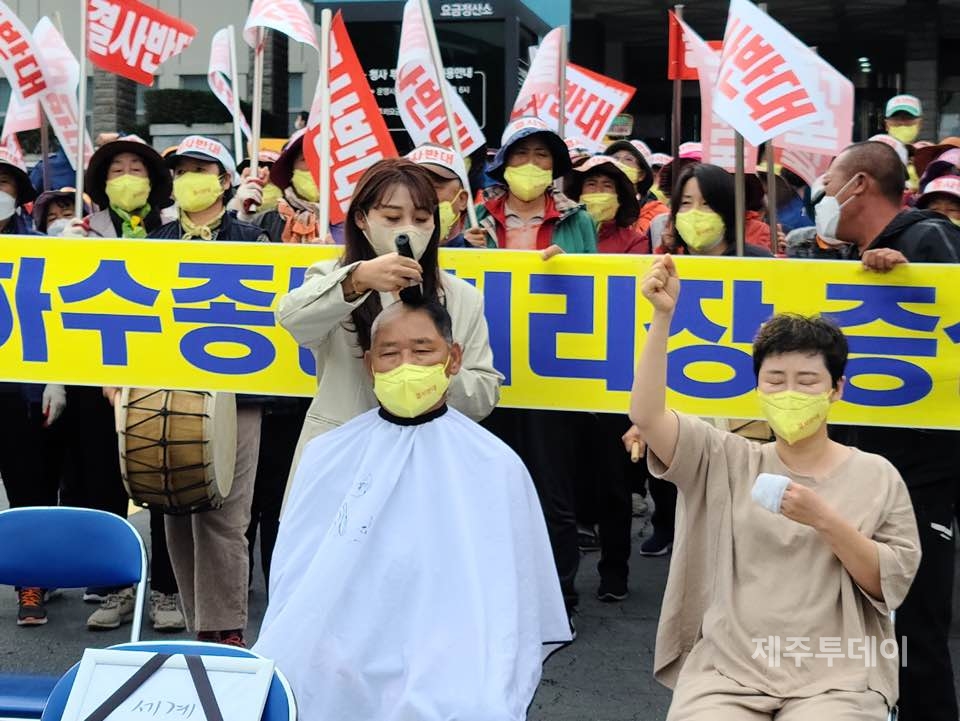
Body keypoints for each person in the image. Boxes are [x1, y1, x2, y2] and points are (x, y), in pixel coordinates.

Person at [628, 256, 920, 719]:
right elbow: (647, 416)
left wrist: (823, 519)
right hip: (728, 671)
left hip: (837, 678)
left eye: (807, 381)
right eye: (775, 380)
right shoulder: (726, 458)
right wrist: (662, 317)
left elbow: (888, 583)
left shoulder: (877, 474)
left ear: (836, 389)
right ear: (757, 387)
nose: (790, 393)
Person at [254, 299, 569, 721]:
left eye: (422, 352)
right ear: (369, 364)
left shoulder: (495, 464)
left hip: (453, 642)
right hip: (344, 638)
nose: (406, 366)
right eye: (389, 353)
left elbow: (505, 595)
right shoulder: (327, 455)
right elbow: (299, 580)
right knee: (312, 678)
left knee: (471, 699)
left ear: (453, 358)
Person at [814, 140, 960, 721]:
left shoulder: (930, 243)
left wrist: (915, 280)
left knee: (917, 628)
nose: (823, 197)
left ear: (860, 187)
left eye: (830, 184)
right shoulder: (852, 257)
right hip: (875, 469)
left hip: (924, 471)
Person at [276, 158, 501, 490]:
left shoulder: (463, 298)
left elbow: (484, 392)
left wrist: (433, 376)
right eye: (392, 217)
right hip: (342, 458)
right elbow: (293, 320)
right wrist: (356, 281)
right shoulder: (331, 277)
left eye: (422, 218)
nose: (408, 228)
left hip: (429, 462)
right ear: (362, 219)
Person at [56, 136, 183, 633]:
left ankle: (167, 591)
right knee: (101, 484)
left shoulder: (176, 233)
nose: (127, 177)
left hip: (164, 378)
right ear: (100, 184)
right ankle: (114, 589)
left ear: (154, 181)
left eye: (136, 168)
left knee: (167, 484)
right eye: (115, 170)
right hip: (98, 382)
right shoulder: (81, 235)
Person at [145, 136, 268, 647]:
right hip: (167, 393)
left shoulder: (255, 241)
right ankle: (199, 628)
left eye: (202, 168)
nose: (190, 178)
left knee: (224, 514)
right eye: (182, 170)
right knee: (175, 509)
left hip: (236, 396)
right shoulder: (154, 244)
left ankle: (225, 634)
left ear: (224, 180)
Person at [0, 149, 67, 627]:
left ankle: (32, 583)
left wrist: (55, 380)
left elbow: (61, 319)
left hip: (21, 389)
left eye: (5, 185)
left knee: (30, 490)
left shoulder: (44, 248)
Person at [465, 116, 596, 253]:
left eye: (541, 154)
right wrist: (463, 248)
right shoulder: (476, 217)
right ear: (505, 162)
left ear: (553, 165)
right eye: (521, 153)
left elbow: (593, 272)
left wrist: (567, 266)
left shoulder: (580, 221)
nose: (531, 162)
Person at [234, 130, 326, 244]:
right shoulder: (265, 221)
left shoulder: (352, 221)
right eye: (306, 159)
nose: (318, 165)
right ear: (290, 170)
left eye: (325, 158)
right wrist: (244, 216)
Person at [668, 163, 773, 257]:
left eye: (706, 203)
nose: (695, 211)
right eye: (686, 203)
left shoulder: (758, 262)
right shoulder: (666, 265)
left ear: (726, 209)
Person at [406, 143, 473, 246]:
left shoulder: (480, 260)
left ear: (462, 199)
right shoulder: (383, 257)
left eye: (433, 187)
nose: (421, 194)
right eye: (413, 185)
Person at [604, 139, 669, 235]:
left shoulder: (659, 213)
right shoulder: (596, 206)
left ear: (641, 174)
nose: (619, 163)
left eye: (628, 159)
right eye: (615, 158)